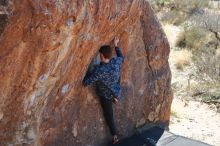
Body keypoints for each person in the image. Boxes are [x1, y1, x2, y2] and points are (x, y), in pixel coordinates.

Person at [83, 37, 124, 144]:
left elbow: (86, 82)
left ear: (101, 56)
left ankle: (115, 135)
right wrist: (116, 45)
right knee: (117, 75)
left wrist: (89, 72)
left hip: (105, 95)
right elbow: (121, 57)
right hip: (116, 88)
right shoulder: (116, 62)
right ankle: (115, 96)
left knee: (109, 115)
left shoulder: (100, 70)